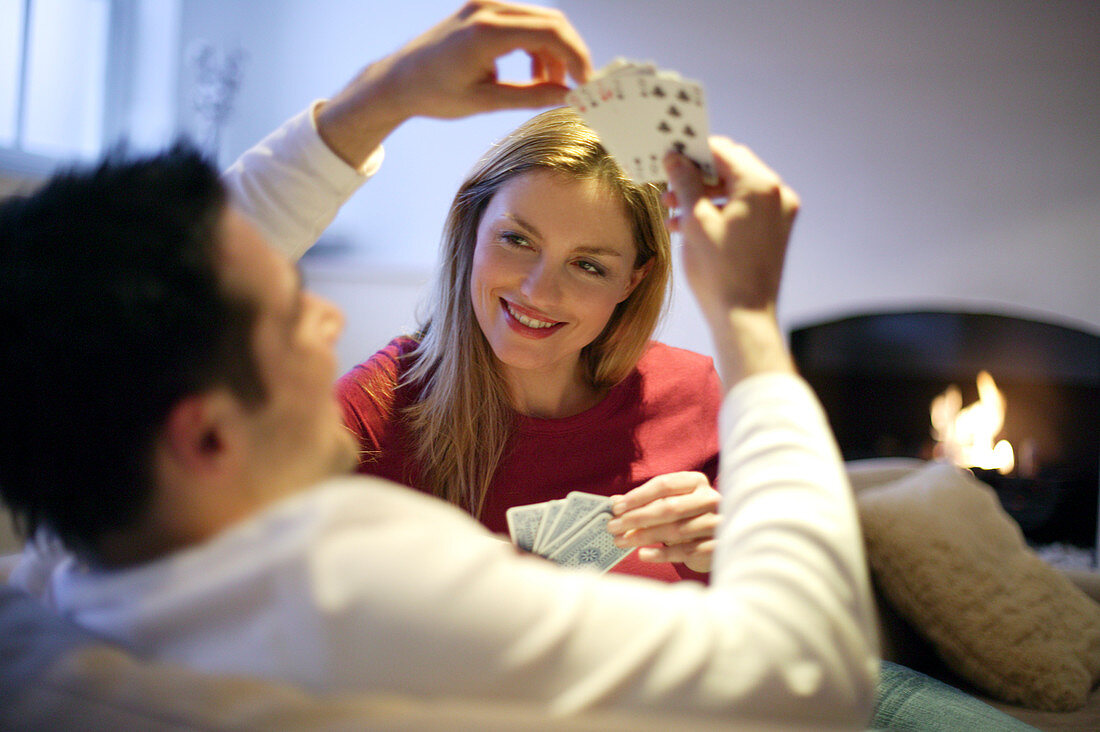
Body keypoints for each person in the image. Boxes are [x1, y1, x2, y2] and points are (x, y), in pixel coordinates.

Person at [0, 1, 880, 725]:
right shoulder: (350, 581)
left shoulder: (58, 569)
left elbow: (165, 288)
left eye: (589, 264)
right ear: (205, 434)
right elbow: (811, 679)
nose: (332, 317)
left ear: (632, 282)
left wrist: (383, 95)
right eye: (290, 314)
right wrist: (752, 321)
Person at [335, 103, 722, 584]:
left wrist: (731, 557)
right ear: (472, 228)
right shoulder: (367, 411)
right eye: (517, 240)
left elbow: (770, 616)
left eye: (588, 266)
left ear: (632, 281)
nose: (538, 292)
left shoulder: (692, 394)